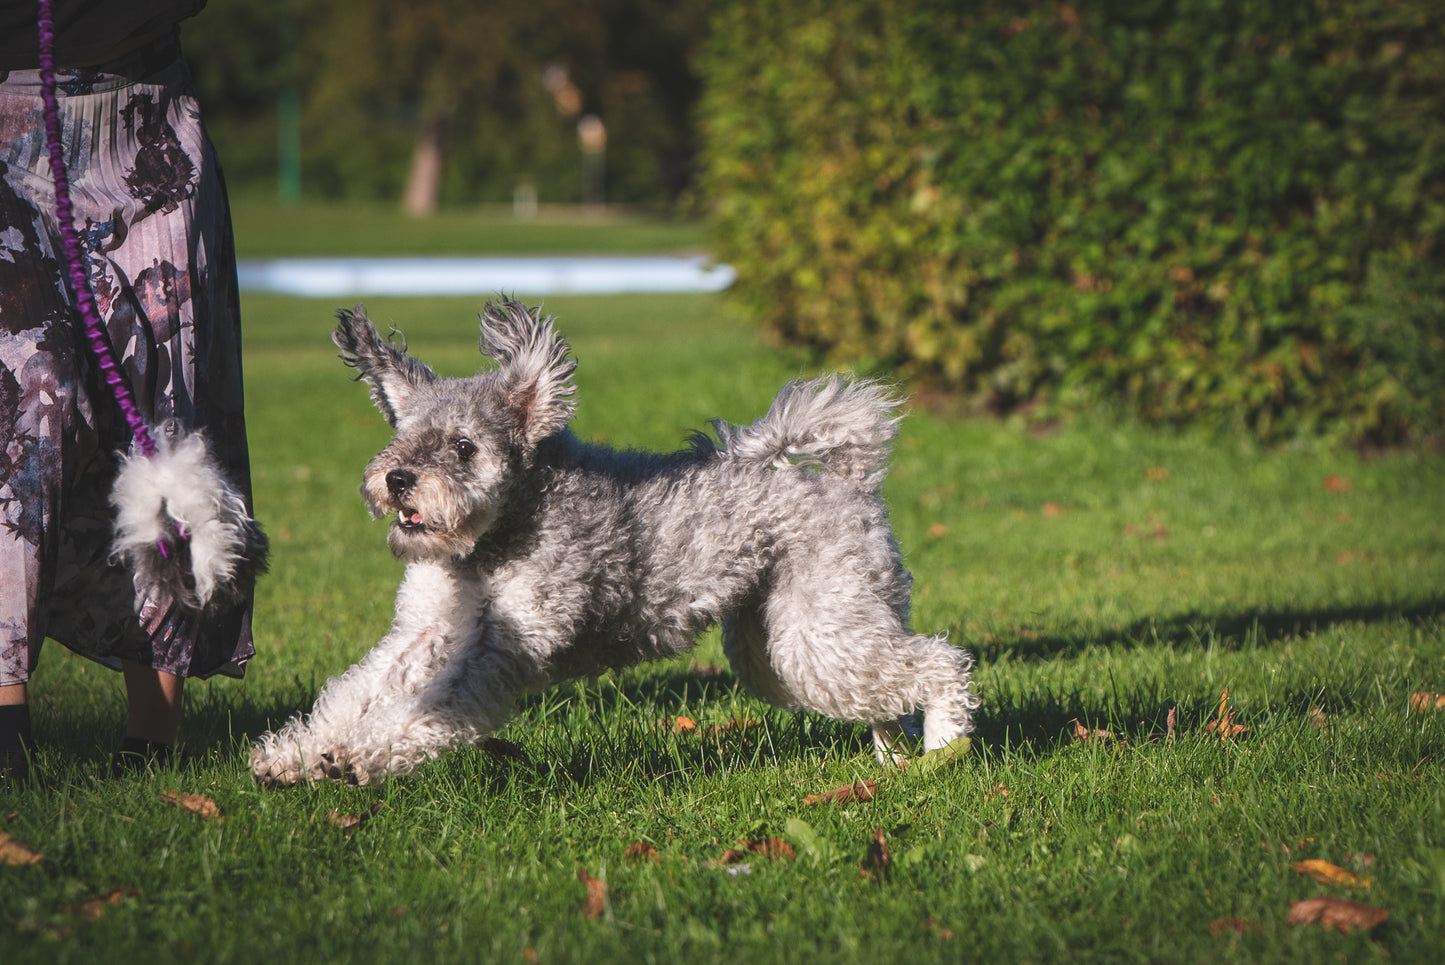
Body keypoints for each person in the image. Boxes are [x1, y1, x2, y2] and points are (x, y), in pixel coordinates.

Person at [0, 0, 259, 783]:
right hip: (8, 122)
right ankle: (7, 722)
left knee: (163, 415)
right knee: (25, 397)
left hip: (145, 119)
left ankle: (151, 740)